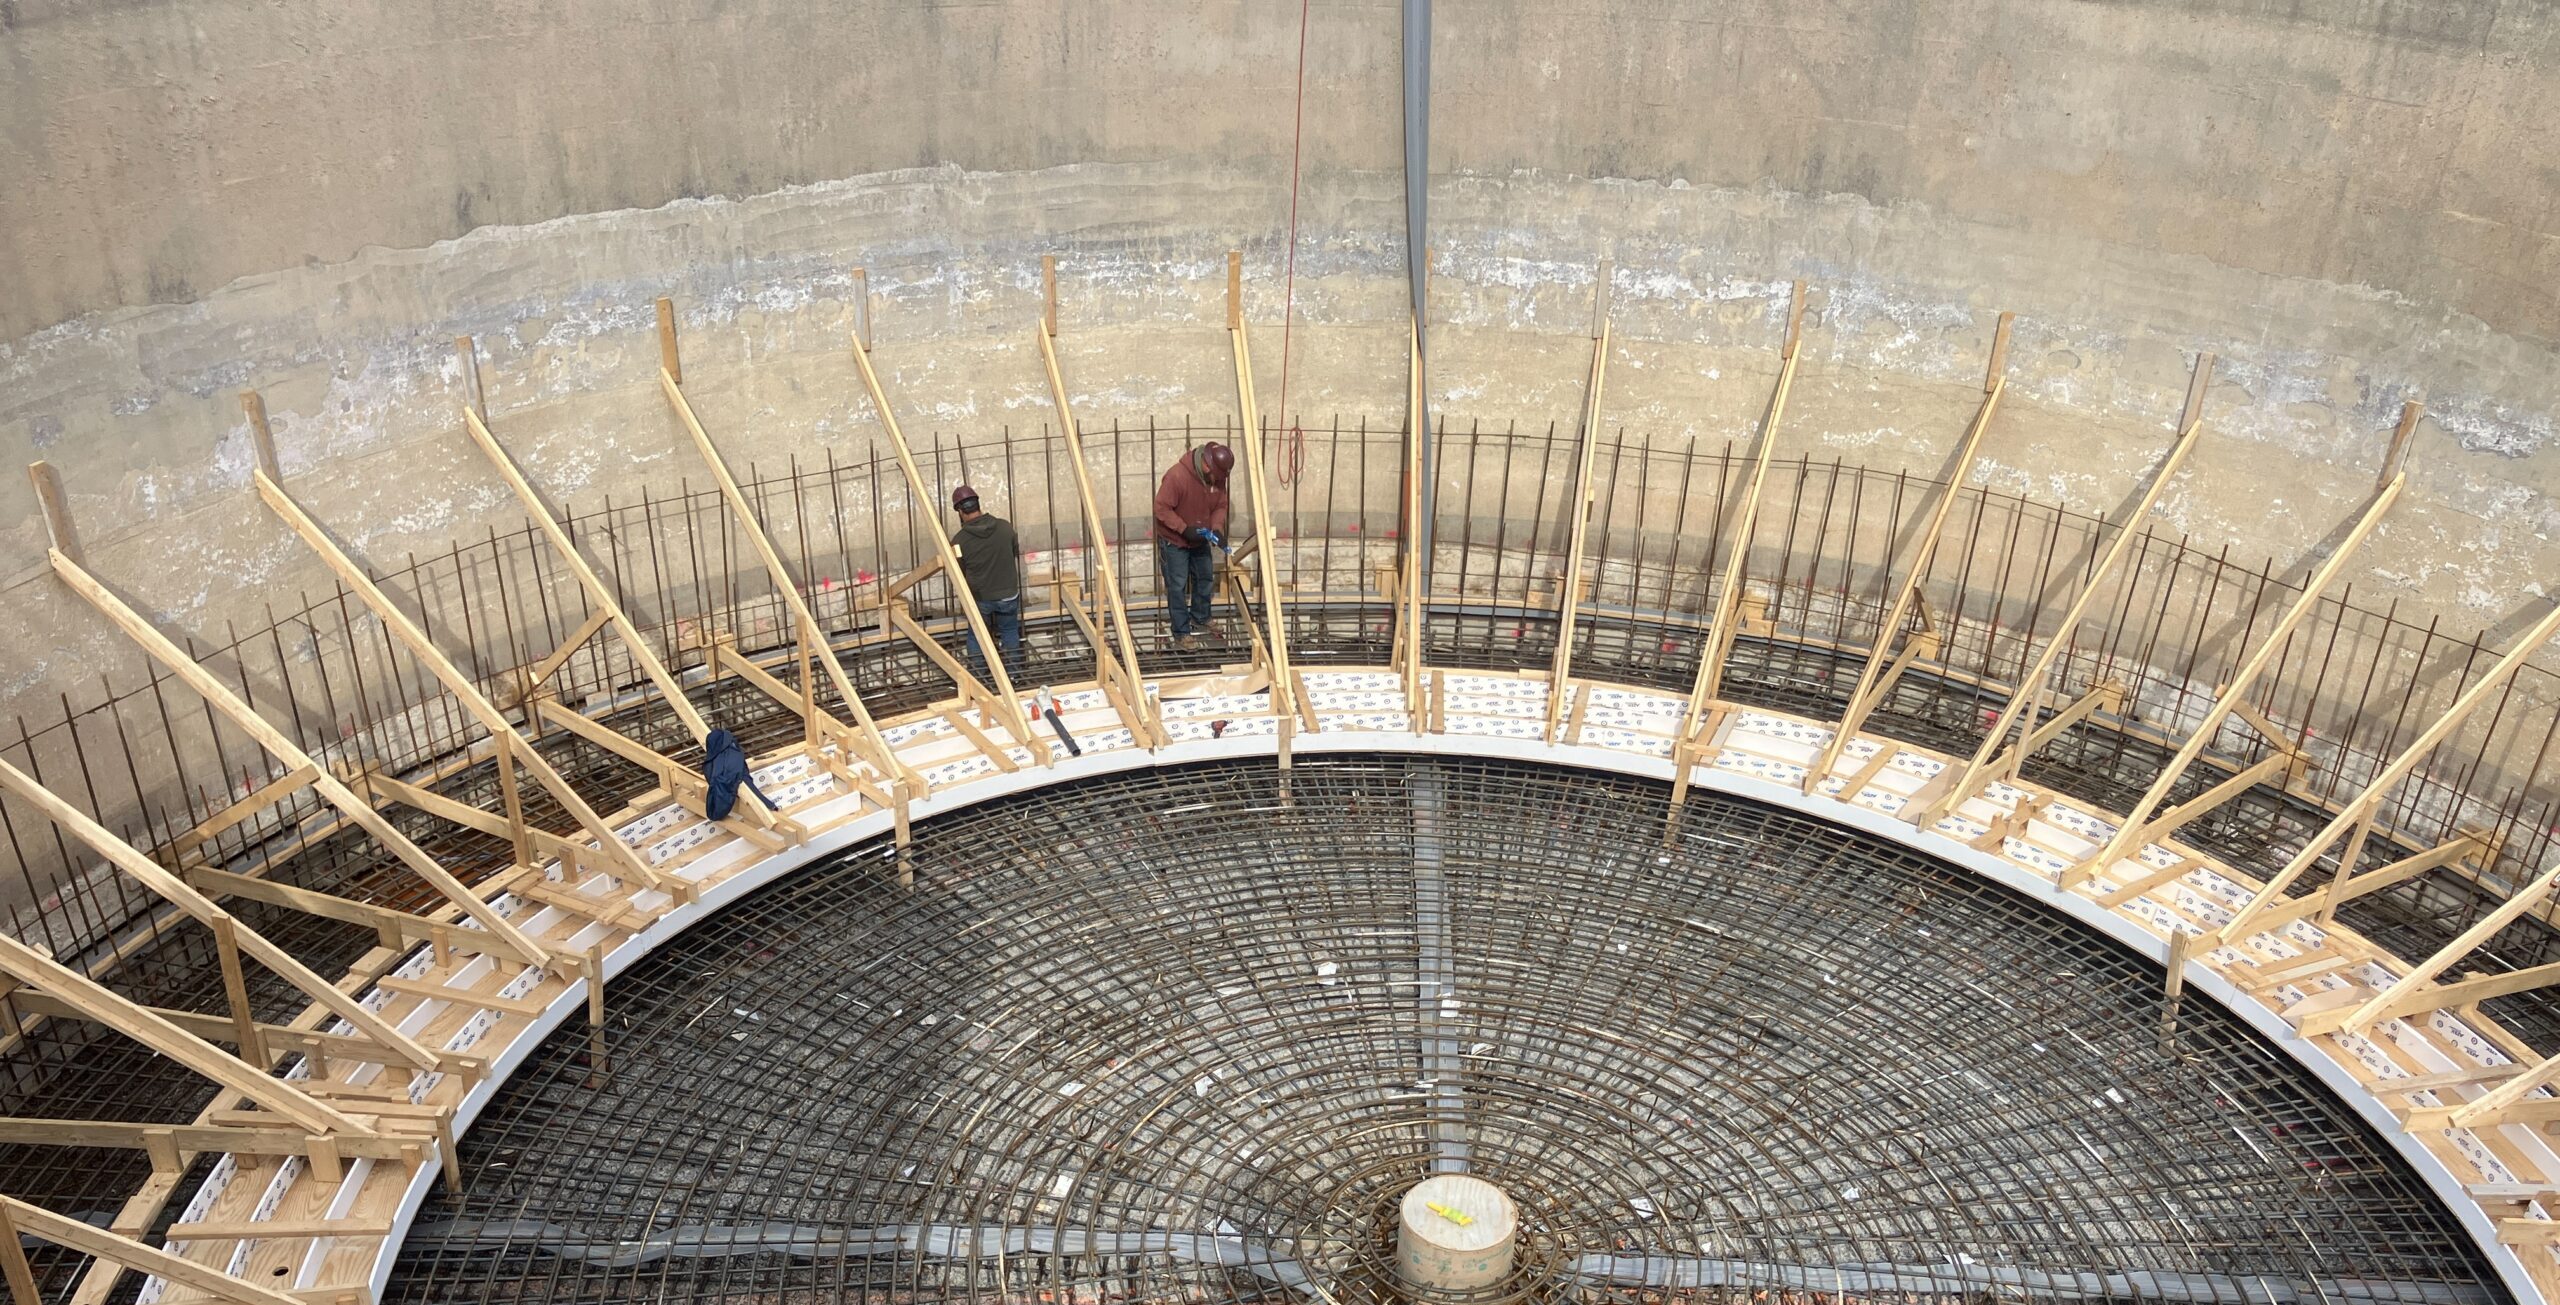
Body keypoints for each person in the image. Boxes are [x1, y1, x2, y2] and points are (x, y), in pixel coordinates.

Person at [1152, 442, 1233, 649]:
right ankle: (1181, 632)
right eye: (1218, 476)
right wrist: (1182, 528)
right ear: (1206, 465)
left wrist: (1216, 528)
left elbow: (1221, 505)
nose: (1220, 481)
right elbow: (1161, 508)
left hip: (1200, 538)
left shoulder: (1217, 477)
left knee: (1205, 578)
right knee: (1177, 586)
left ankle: (1201, 616)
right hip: (1175, 541)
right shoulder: (1177, 476)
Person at [949, 484, 1023, 677]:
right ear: (978, 504)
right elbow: (1014, 551)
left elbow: (958, 571)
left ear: (960, 511)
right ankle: (1014, 675)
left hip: (981, 598)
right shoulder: (1005, 527)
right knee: (1009, 631)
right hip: (1008, 594)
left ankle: (980, 678)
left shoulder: (959, 540)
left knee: (977, 635)